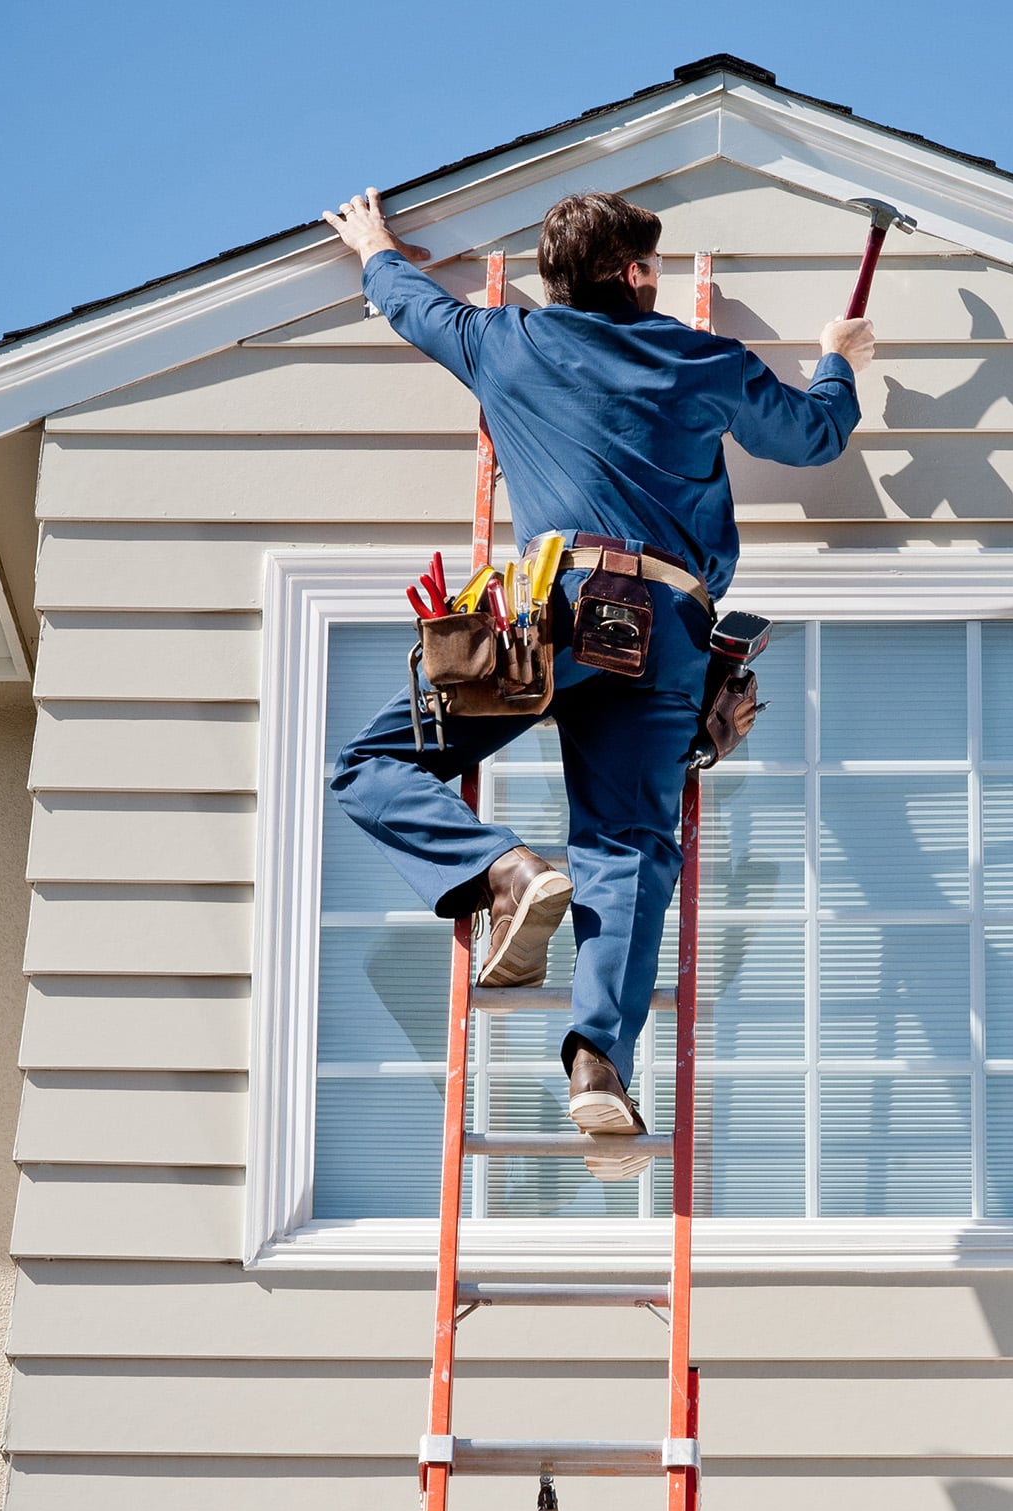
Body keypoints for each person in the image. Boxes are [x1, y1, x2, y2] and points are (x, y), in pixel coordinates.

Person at [322, 187, 874, 1177]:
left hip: (553, 606)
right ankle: (595, 1065)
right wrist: (839, 360)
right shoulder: (695, 357)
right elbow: (811, 436)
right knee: (627, 850)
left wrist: (374, 249)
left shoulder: (504, 344)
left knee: (367, 764)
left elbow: (412, 308)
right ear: (633, 274)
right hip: (662, 626)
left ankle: (503, 870)